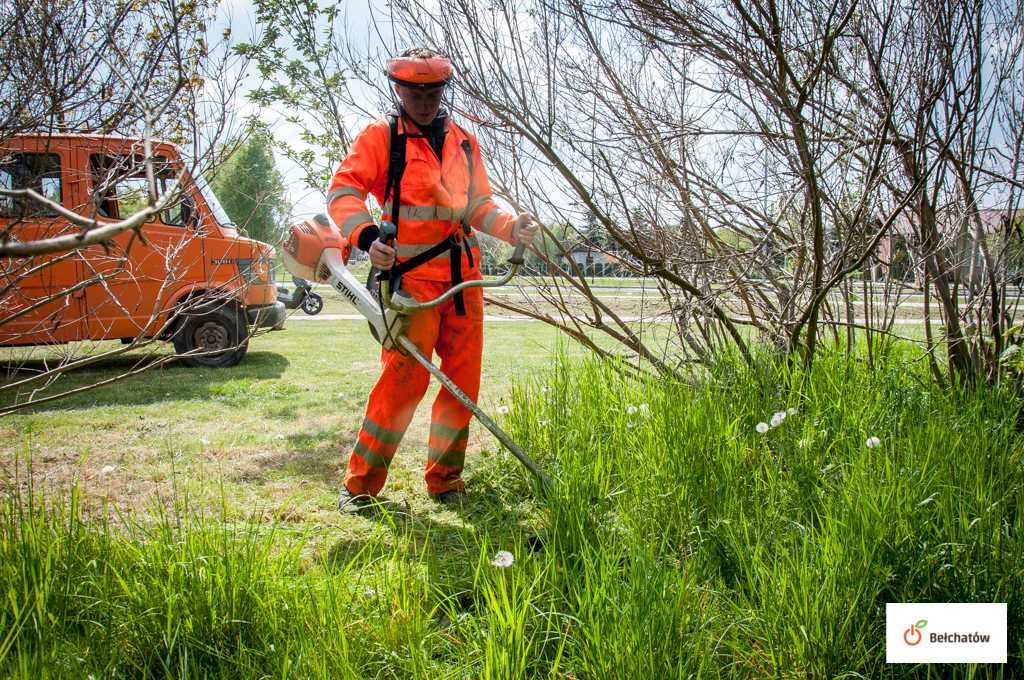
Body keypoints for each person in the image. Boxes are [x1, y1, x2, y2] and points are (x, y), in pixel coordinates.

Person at [326, 47, 538, 512]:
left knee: (462, 385)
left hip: (464, 284)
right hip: (410, 286)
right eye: (412, 90)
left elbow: (479, 205)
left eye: (432, 90)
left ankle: (445, 481)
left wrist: (509, 226)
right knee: (401, 384)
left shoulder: (463, 141)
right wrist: (364, 236)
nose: (422, 100)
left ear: (444, 90)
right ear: (397, 90)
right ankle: (360, 487)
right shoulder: (381, 138)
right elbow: (343, 192)